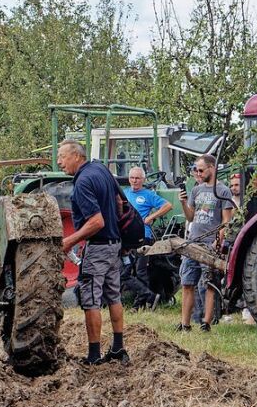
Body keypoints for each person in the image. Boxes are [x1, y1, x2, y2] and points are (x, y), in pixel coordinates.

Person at [57, 139, 128, 366]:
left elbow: (96, 222)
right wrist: (116, 229)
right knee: (114, 296)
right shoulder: (101, 170)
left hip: (97, 247)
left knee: (91, 301)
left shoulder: (83, 183)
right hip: (114, 244)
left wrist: (69, 241)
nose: (59, 162)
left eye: (63, 156)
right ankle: (118, 348)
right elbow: (119, 201)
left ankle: (94, 355)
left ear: (77, 156)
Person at [178, 154, 234, 333]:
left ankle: (206, 323)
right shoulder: (196, 190)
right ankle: (185, 323)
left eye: (201, 170)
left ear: (212, 168)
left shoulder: (223, 190)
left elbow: (226, 221)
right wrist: (183, 202)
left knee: (208, 283)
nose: (198, 173)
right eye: (196, 170)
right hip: (193, 241)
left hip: (210, 243)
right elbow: (190, 216)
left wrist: (218, 242)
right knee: (187, 282)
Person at [123, 166, 172, 310]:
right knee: (126, 271)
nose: (134, 181)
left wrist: (151, 217)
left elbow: (168, 205)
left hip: (143, 237)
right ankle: (147, 296)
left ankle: (140, 304)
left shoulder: (148, 195)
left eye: (137, 178)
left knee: (140, 270)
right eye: (132, 178)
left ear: (143, 180)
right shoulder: (124, 193)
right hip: (127, 238)